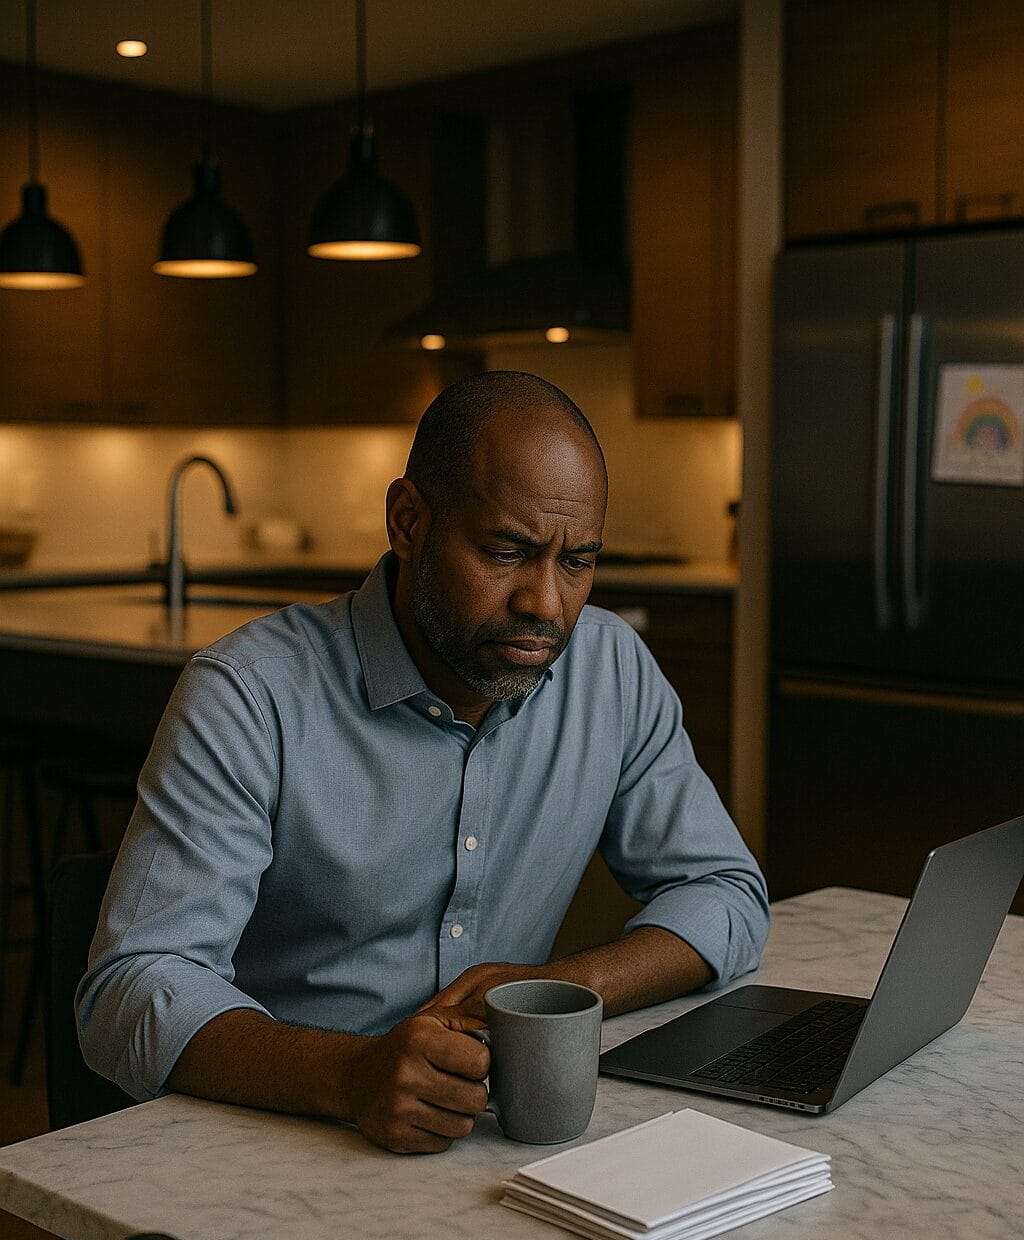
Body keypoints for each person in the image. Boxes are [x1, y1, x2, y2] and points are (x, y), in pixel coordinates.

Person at [77, 371, 769, 1155]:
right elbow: (128, 991)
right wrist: (352, 1076)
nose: (546, 603)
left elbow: (727, 893)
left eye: (577, 562)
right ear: (407, 521)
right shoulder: (250, 696)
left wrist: (571, 987)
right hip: (276, 1141)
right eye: (506, 551)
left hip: (484, 1144)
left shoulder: (611, 669)